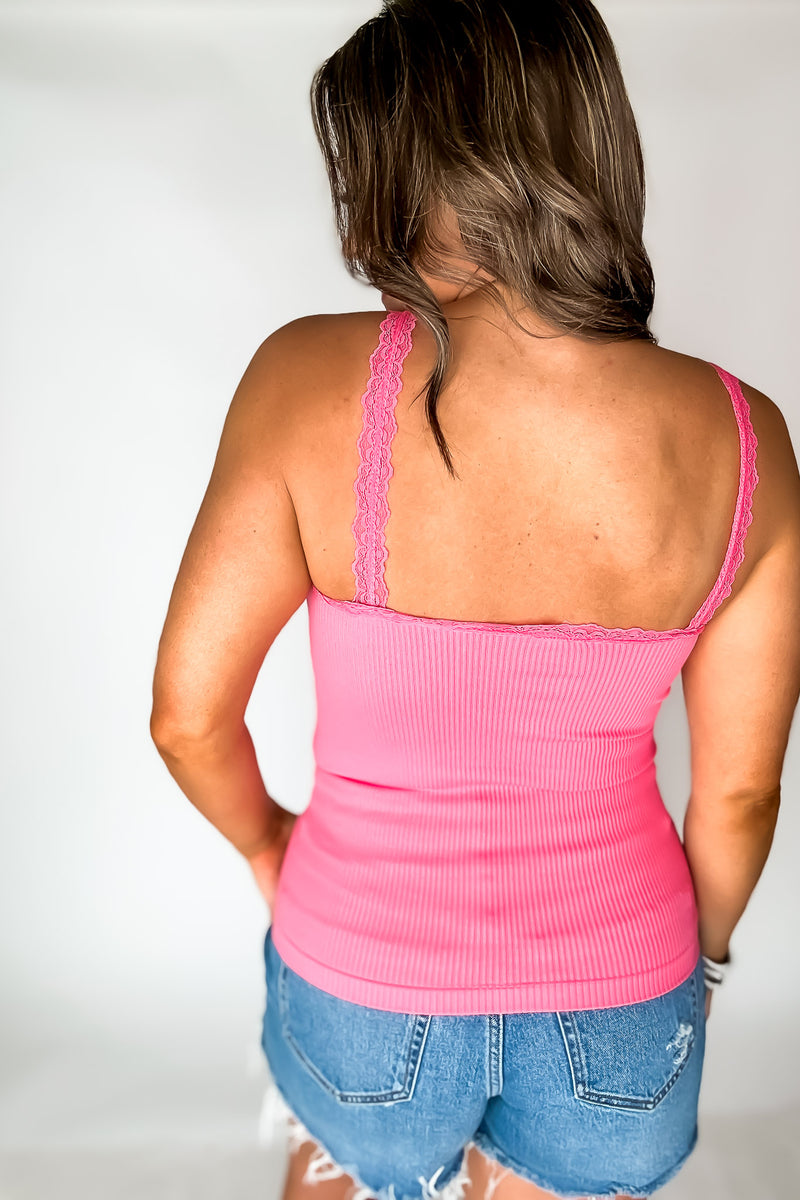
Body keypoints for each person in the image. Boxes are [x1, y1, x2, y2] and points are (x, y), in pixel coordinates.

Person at [149, 2, 800, 1199]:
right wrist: (686, 973)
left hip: (362, 986)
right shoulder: (743, 438)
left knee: (341, 1170)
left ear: (399, 162)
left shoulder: (306, 378)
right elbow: (742, 793)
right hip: (618, 1015)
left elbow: (189, 718)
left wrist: (265, 845)